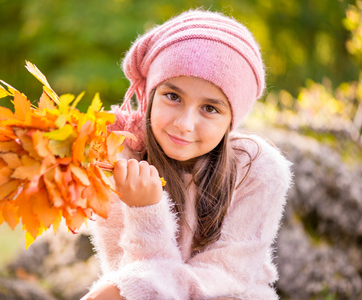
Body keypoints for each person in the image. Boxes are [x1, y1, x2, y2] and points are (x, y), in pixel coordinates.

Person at [81, 9, 292, 300]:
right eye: (173, 96)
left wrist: (146, 212)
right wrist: (144, 210)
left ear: (231, 119)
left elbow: (226, 278)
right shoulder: (119, 157)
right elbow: (129, 275)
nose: (184, 124)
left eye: (210, 108)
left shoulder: (257, 169)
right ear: (151, 94)